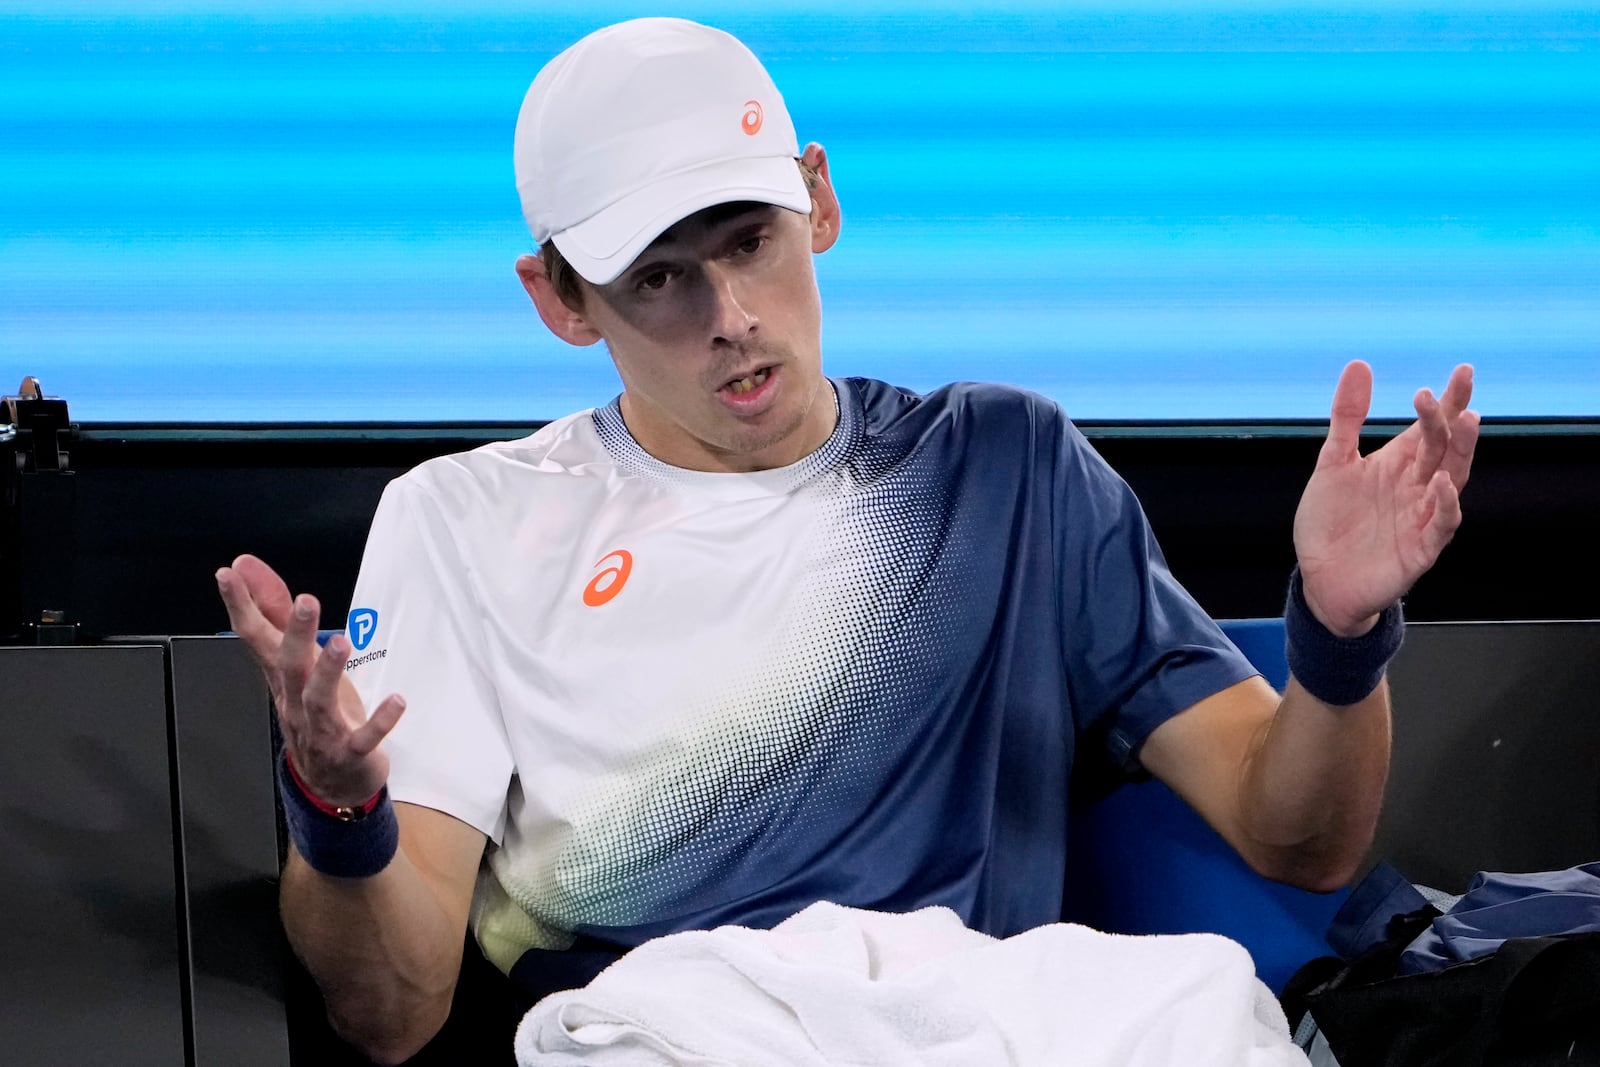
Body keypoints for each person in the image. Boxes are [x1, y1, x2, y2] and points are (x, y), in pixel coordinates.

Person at [215, 17, 1480, 1065]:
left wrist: (1339, 635)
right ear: (558, 298)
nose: (730, 317)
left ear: (815, 199)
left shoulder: (1008, 467)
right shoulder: (461, 518)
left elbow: (1297, 837)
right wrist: (338, 808)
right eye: (659, 278)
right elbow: (392, 1011)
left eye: (749, 241)